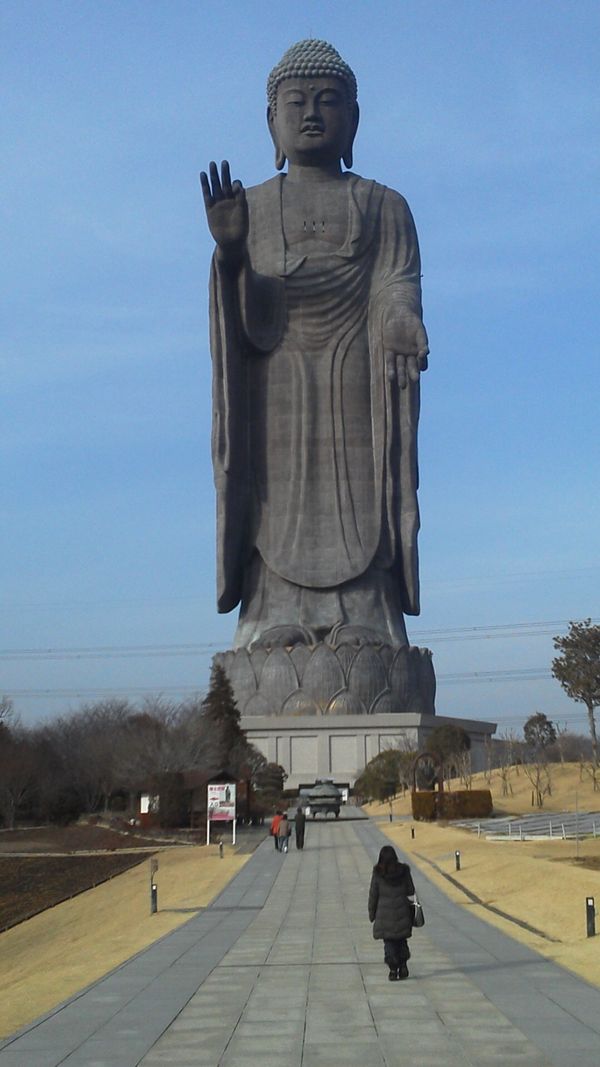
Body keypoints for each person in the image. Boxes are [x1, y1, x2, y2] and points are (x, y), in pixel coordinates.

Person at [201, 39, 428, 652]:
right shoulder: (248, 207)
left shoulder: (385, 206)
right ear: (270, 119)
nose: (311, 113)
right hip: (277, 377)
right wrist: (229, 255)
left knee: (362, 488)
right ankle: (272, 611)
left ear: (353, 119)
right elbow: (246, 322)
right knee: (274, 493)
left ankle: (370, 615)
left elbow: (396, 282)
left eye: (328, 101)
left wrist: (401, 318)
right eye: (296, 101)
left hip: (358, 371)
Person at [368, 844, 416, 981]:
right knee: (401, 941)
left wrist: (372, 914)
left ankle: (393, 969)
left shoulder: (378, 873)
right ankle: (403, 964)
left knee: (389, 943)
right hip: (403, 914)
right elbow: (411, 890)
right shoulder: (404, 871)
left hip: (384, 916)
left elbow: (373, 895)